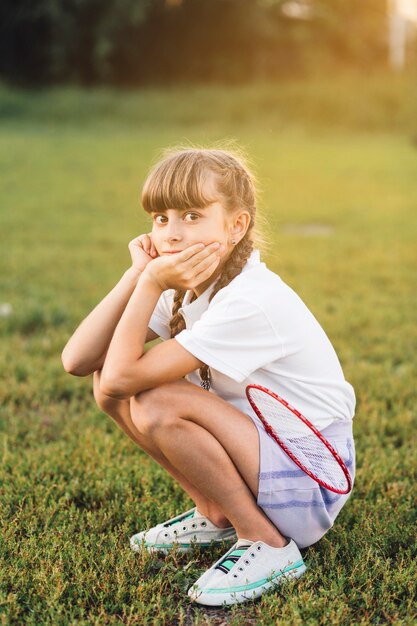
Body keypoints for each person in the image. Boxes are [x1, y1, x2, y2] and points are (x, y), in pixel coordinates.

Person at [62, 145, 356, 607]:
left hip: (311, 483)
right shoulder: (187, 285)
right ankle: (215, 511)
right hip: (266, 459)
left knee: (154, 399)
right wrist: (138, 275)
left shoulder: (248, 299)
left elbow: (126, 378)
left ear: (236, 226)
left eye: (192, 216)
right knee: (110, 386)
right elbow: (80, 361)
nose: (172, 234)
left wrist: (153, 282)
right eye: (161, 218)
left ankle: (268, 543)